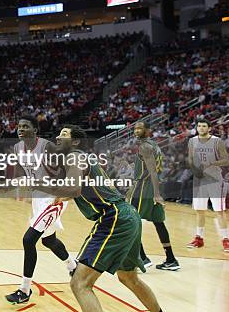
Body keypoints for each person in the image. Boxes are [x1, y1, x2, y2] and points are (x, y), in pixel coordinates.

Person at [49, 125, 164, 312]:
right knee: (129, 278)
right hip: (128, 215)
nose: (58, 137)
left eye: (64, 134)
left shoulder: (75, 156)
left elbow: (72, 189)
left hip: (113, 218)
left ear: (76, 141)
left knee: (80, 283)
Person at [5, 114, 76, 305]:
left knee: (29, 240)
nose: (20, 129)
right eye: (19, 126)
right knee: (48, 240)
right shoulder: (18, 148)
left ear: (35, 130)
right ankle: (73, 266)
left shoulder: (47, 147)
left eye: (26, 126)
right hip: (39, 197)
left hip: (54, 198)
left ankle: (24, 290)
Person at [127, 121, 180, 270]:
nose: (137, 130)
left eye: (140, 128)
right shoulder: (154, 145)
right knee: (159, 223)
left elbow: (152, 171)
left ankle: (142, 258)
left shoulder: (145, 146)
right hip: (153, 187)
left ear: (148, 130)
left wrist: (156, 194)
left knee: (131, 222)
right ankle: (171, 260)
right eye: (135, 128)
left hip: (144, 188)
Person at [186, 118, 229, 253]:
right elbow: (190, 158)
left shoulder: (217, 141)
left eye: (204, 126)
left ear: (209, 128)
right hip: (200, 181)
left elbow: (226, 160)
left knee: (219, 212)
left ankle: (226, 240)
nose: (201, 128)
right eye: (199, 126)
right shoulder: (192, 141)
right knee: (199, 211)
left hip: (215, 181)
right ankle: (199, 238)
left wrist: (212, 164)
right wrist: (194, 168)